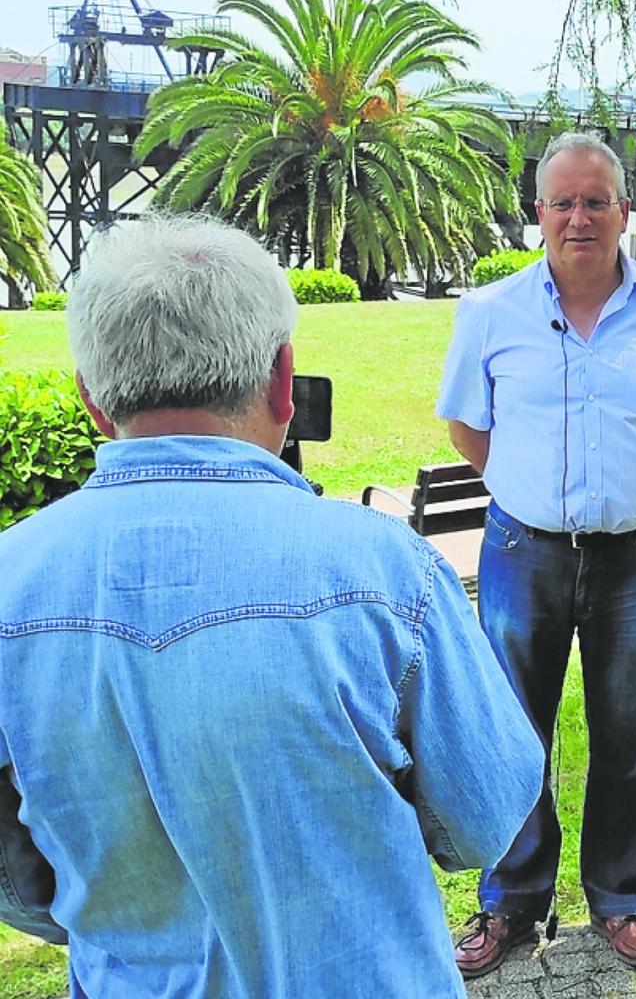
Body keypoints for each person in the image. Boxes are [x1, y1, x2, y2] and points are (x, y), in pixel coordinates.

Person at [0, 215, 545, 999]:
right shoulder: (385, 571)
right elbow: (483, 820)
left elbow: (17, 879)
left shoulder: (11, 582)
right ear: (283, 381)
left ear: (90, 396)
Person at [437, 131, 636, 977]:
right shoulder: (491, 312)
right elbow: (468, 427)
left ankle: (621, 898)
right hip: (520, 551)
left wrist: (629, 489)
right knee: (508, 732)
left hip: (635, 556)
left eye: (596, 201)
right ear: (539, 214)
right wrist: (538, 494)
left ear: (624, 212)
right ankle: (511, 903)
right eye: (563, 202)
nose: (579, 217)